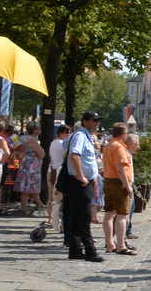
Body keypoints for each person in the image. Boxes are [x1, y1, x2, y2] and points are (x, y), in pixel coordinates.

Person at [59, 110, 103, 263]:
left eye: (98, 120)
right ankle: (90, 251)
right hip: (80, 182)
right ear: (85, 122)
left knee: (77, 217)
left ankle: (75, 249)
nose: (97, 123)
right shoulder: (80, 135)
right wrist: (81, 176)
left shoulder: (85, 136)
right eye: (94, 120)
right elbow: (74, 155)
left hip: (83, 182)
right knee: (84, 217)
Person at [101, 124, 135, 255]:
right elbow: (120, 169)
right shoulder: (119, 147)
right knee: (122, 215)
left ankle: (110, 244)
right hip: (117, 183)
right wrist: (128, 186)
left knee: (108, 214)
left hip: (108, 181)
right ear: (123, 134)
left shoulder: (108, 146)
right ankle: (121, 245)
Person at [15, 122, 44, 216]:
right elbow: (42, 154)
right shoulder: (32, 140)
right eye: (39, 128)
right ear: (35, 130)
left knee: (27, 187)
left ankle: (38, 204)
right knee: (28, 187)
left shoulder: (24, 138)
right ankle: (25, 209)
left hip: (25, 164)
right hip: (31, 166)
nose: (40, 130)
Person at [45, 122, 70, 230]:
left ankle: (50, 219)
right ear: (61, 133)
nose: (68, 134)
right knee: (62, 198)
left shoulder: (53, 142)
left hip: (51, 169)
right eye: (67, 132)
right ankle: (62, 224)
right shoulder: (63, 143)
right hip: (60, 171)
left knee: (51, 196)